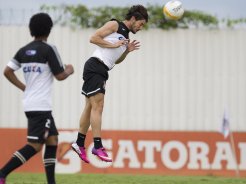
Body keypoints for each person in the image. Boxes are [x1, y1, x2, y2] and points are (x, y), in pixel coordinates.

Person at [0, 13, 74, 184]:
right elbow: (60, 75)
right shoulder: (49, 49)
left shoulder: (23, 50)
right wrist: (70, 69)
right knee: (34, 145)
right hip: (41, 106)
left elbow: (7, 71)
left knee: (52, 139)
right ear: (49, 29)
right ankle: (3, 173)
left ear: (31, 29)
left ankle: (51, 182)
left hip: (31, 103)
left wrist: (24, 88)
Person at [71, 5, 149, 163]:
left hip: (101, 69)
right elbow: (94, 38)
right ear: (133, 18)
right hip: (95, 65)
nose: (140, 28)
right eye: (141, 24)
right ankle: (97, 146)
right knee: (98, 106)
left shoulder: (125, 35)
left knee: (90, 107)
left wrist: (126, 50)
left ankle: (79, 143)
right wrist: (113, 45)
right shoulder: (115, 25)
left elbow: (116, 60)